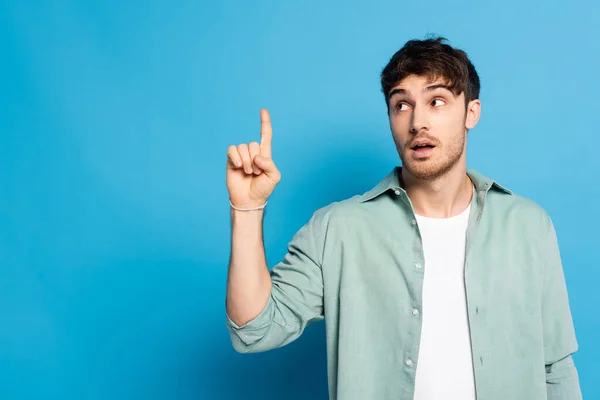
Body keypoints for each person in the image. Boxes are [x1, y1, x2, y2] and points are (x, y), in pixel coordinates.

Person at [224, 36, 582, 400]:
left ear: (471, 112)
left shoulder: (528, 226)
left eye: (436, 101)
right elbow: (254, 329)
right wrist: (247, 209)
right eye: (401, 105)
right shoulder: (339, 229)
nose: (417, 122)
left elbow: (555, 369)